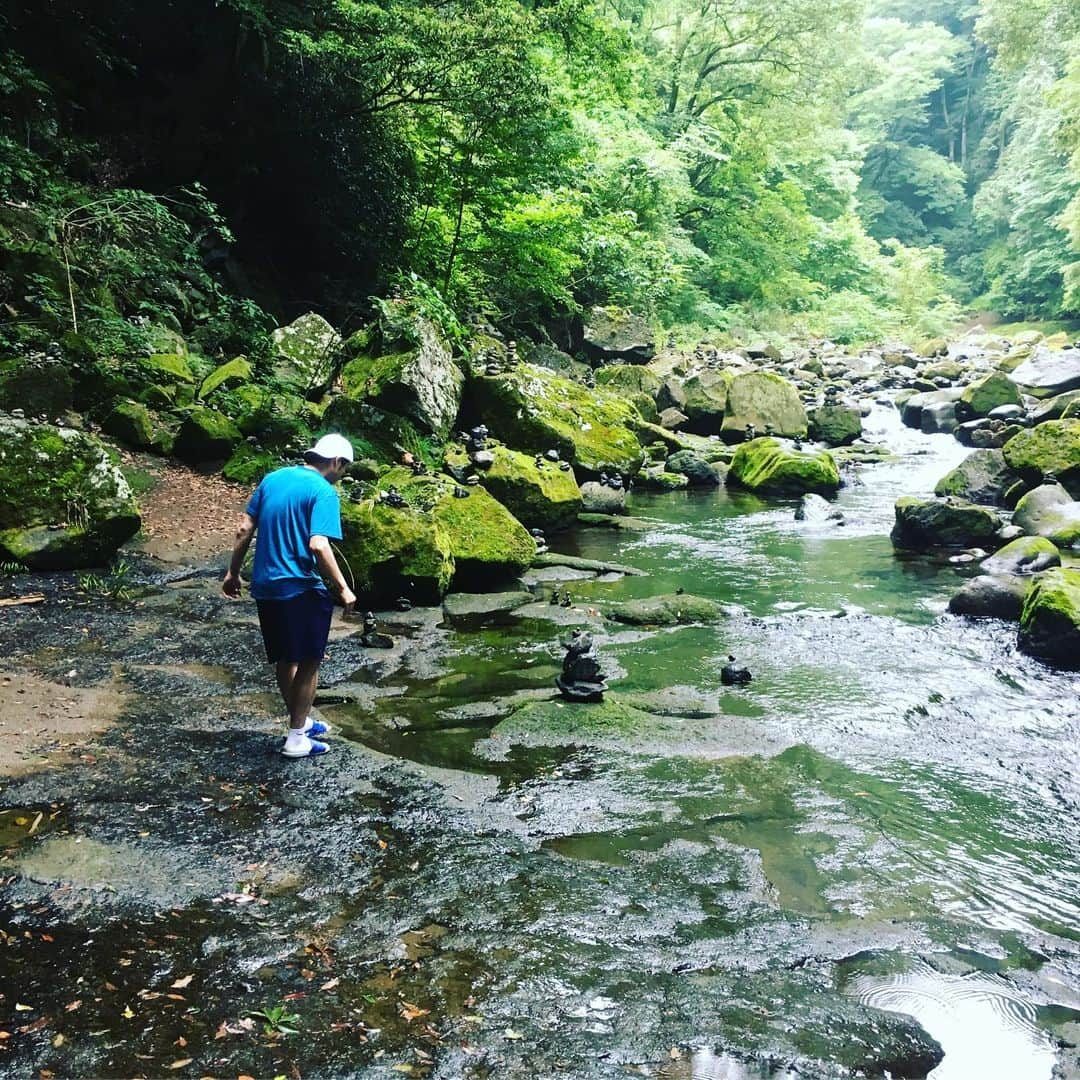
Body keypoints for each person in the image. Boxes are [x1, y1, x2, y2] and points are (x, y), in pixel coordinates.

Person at [222, 433, 357, 758]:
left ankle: (300, 720)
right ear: (337, 462)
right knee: (310, 660)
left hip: (266, 586)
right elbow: (318, 544)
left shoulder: (273, 479)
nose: (342, 476)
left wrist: (233, 572)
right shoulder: (323, 491)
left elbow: (244, 528)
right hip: (300, 586)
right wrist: (342, 588)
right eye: (344, 469)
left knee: (286, 657)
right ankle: (296, 738)